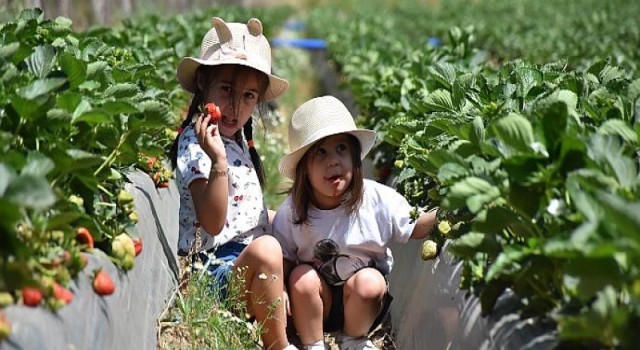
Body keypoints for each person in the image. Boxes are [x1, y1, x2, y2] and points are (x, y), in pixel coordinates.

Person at [169, 16, 296, 350]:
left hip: (243, 266)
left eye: (249, 96)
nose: (235, 106)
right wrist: (218, 163)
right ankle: (280, 346)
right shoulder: (197, 145)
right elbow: (212, 223)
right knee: (269, 250)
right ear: (202, 83)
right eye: (226, 90)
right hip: (215, 272)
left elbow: (246, 214)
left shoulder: (237, 141)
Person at [272, 96, 438, 350]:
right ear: (303, 168)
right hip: (315, 303)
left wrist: (449, 209)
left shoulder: (375, 198)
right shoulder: (293, 211)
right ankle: (313, 343)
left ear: (355, 158)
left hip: (363, 305)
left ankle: (353, 340)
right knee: (300, 277)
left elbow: (415, 225)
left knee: (370, 282)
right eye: (321, 152)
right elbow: (282, 259)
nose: (333, 161)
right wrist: (280, 291)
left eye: (341, 149)